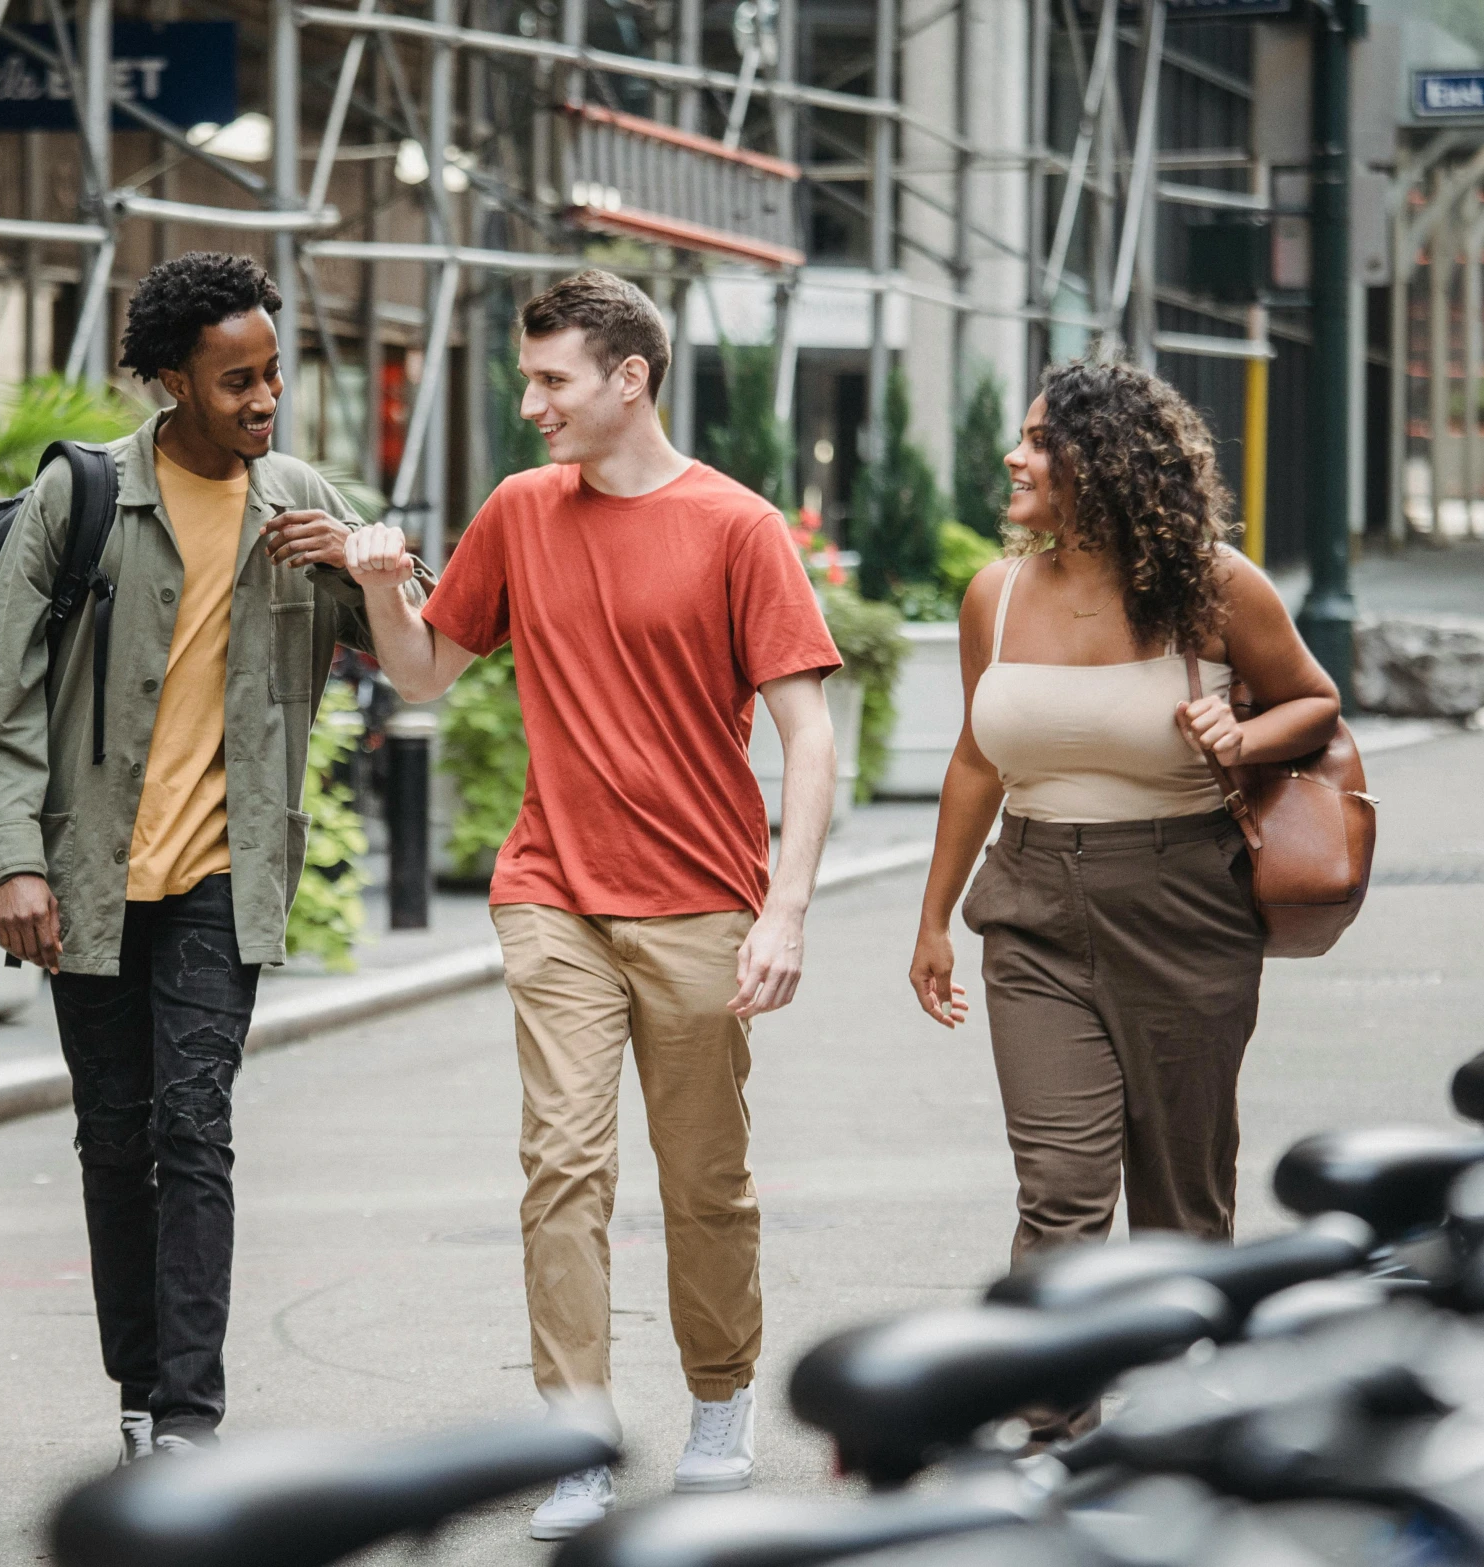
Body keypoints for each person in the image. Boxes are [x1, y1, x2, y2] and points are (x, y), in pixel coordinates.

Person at [340, 270, 841, 1538]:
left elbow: (809, 737)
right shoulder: (519, 512)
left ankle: (719, 1398)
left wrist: (783, 912)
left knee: (702, 1176)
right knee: (560, 1164)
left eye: (553, 380)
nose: (531, 406)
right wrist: (381, 584)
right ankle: (578, 1435)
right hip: (552, 888)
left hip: (701, 901)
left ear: (631, 378)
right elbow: (424, 675)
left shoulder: (736, 527)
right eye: (530, 378)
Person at [0, 252, 428, 1461]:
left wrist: (367, 565)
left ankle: (187, 1421)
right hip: (91, 879)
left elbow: (410, 648)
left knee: (194, 1128)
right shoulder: (80, 499)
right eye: (235, 381)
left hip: (226, 874)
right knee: (113, 1137)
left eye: (273, 373)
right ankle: (137, 1389)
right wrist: (14, 862)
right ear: (171, 381)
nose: (264, 399)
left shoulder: (299, 497)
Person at [907, 359, 1341, 1281]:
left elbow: (1316, 703)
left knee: (1182, 1206)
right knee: (1059, 1192)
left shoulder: (1216, 588)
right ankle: (1050, 1422)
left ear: (1103, 462)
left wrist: (1245, 731)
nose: (1013, 458)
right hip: (1031, 910)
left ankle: (1180, 1416)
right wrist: (934, 916)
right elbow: (977, 759)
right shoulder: (995, 597)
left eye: (1037, 441)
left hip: (1185, 904)